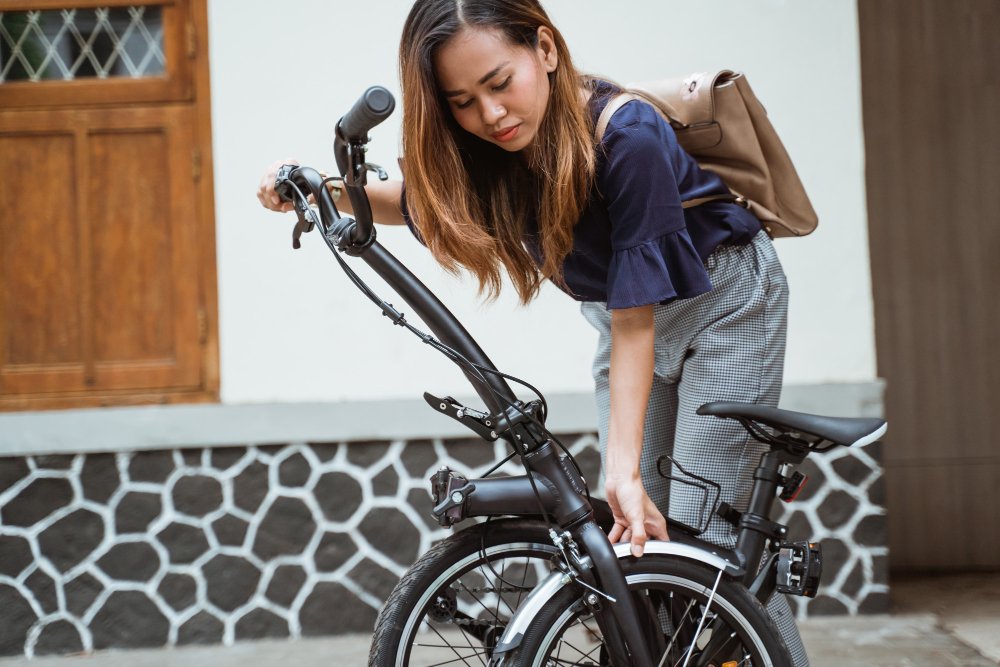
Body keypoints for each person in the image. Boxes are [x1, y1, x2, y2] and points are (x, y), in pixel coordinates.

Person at [257, 1, 808, 663]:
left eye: (499, 82)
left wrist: (622, 469)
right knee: (639, 538)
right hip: (624, 318)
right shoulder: (496, 148)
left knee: (704, 544)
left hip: (724, 309)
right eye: (461, 100)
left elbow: (639, 315)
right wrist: (318, 188)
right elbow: (418, 201)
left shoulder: (625, 135)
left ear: (544, 49)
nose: (490, 114)